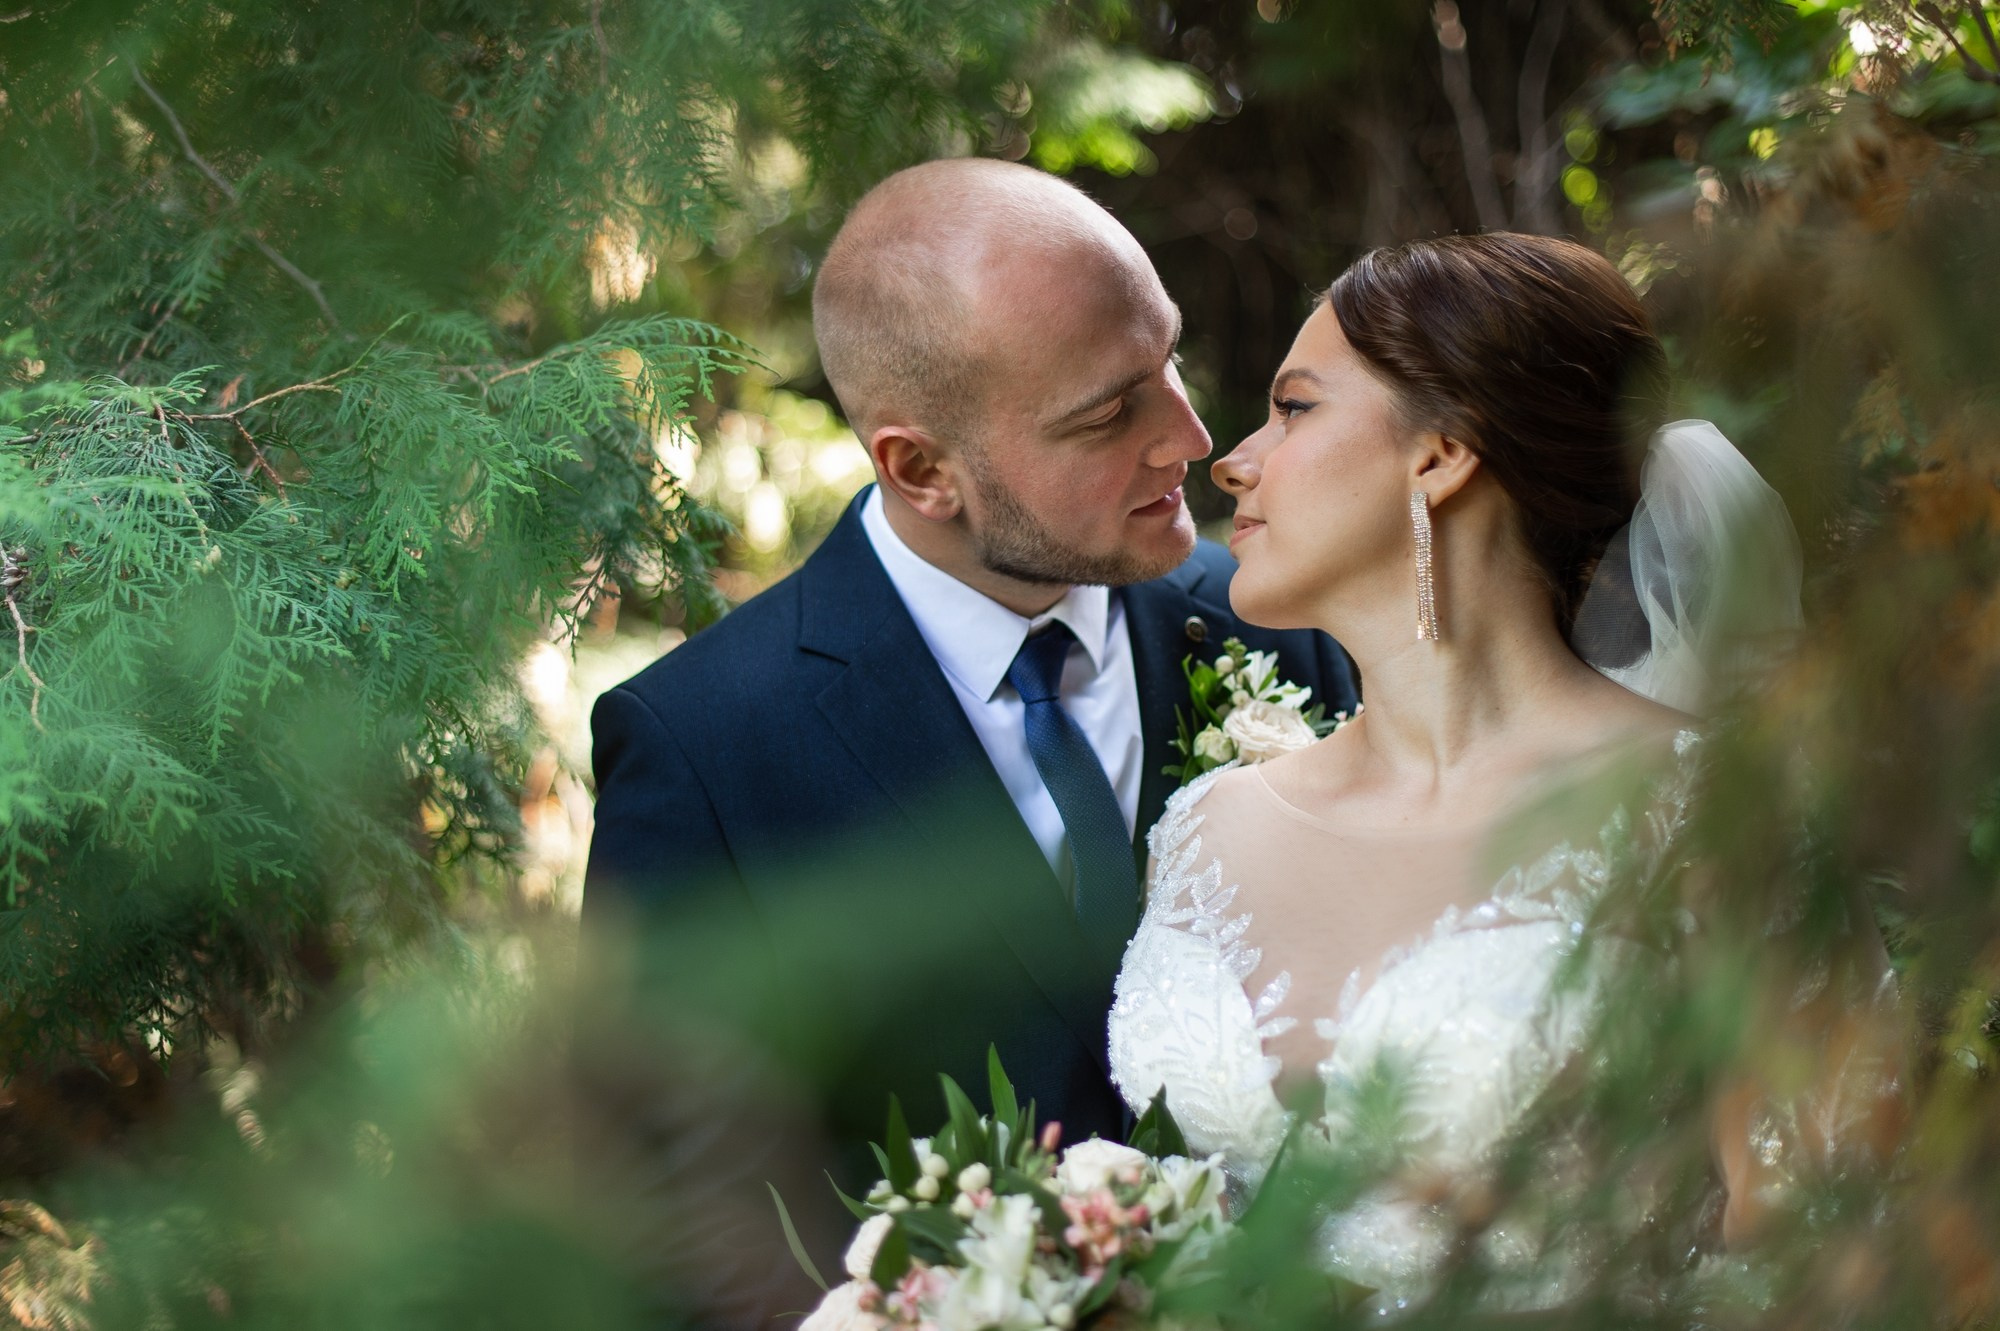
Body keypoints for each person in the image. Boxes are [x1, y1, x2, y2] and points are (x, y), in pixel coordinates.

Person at [1107, 233, 1891, 1310]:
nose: (1233, 460)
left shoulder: (1700, 812)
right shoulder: (1205, 827)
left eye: (1293, 409)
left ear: (1440, 453)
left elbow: (1830, 1249)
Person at [583, 157, 1357, 1181]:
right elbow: (671, 1194)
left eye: (1167, 357)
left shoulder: (1278, 623)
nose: (1188, 436)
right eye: (1107, 414)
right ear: (920, 470)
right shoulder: (705, 746)